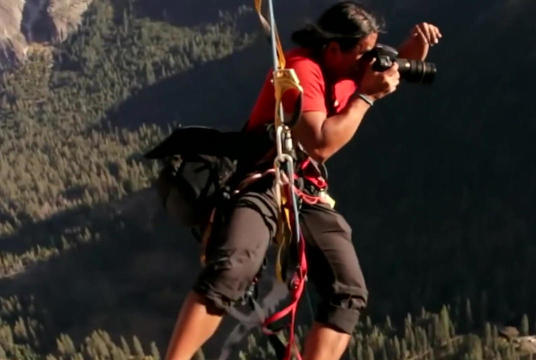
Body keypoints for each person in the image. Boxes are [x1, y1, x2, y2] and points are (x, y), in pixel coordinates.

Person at [164, 2, 442, 360]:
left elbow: (379, 72)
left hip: (304, 186)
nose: (368, 61)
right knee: (234, 267)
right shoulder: (300, 70)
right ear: (333, 49)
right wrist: (367, 97)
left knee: (349, 291)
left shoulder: (349, 65)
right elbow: (321, 143)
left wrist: (412, 52)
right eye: (362, 54)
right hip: (263, 175)